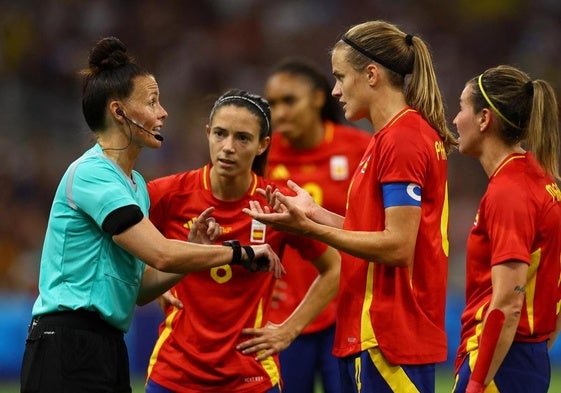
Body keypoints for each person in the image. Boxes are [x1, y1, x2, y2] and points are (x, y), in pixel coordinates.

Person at [19, 37, 283, 393]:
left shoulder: (137, 185)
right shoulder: (91, 173)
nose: (163, 113)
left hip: (108, 343)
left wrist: (190, 253)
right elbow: (160, 252)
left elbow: (141, 290)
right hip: (66, 339)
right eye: (152, 102)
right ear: (119, 112)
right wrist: (243, 253)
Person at [244, 20, 458, 393]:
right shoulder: (386, 138)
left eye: (341, 77)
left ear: (371, 75)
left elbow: (397, 246)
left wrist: (312, 230)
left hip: (390, 335)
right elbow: (374, 227)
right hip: (375, 332)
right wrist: (315, 213)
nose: (336, 90)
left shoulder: (402, 140)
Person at [144, 89, 341, 393]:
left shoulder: (278, 204)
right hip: (175, 374)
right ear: (208, 133)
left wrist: (289, 330)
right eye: (220, 134)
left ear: (263, 145)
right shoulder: (167, 195)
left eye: (242, 138)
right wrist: (154, 281)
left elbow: (334, 268)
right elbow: (122, 242)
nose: (228, 148)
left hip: (250, 378)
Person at [451, 65, 561, 393]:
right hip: (526, 358)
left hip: (501, 362)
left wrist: (477, 383)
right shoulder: (541, 179)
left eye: (460, 108)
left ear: (484, 119)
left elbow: (508, 303)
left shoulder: (509, 192)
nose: (455, 120)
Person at [263, 57, 371, 393]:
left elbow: (378, 227)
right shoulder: (262, 154)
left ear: (318, 98)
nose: (279, 113)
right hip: (286, 312)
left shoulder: (359, 149)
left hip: (348, 306)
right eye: (273, 104)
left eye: (289, 101)